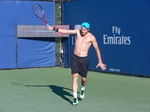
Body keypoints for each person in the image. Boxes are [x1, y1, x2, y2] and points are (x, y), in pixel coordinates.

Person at [48, 22, 106, 106]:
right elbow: (66, 31)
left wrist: (100, 61)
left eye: (84, 30)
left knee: (83, 79)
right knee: (74, 77)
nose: (82, 31)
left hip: (84, 60)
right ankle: (75, 98)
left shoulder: (92, 37)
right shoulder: (77, 32)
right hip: (75, 58)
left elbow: (97, 49)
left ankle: (82, 89)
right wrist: (54, 29)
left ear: (88, 30)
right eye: (82, 29)